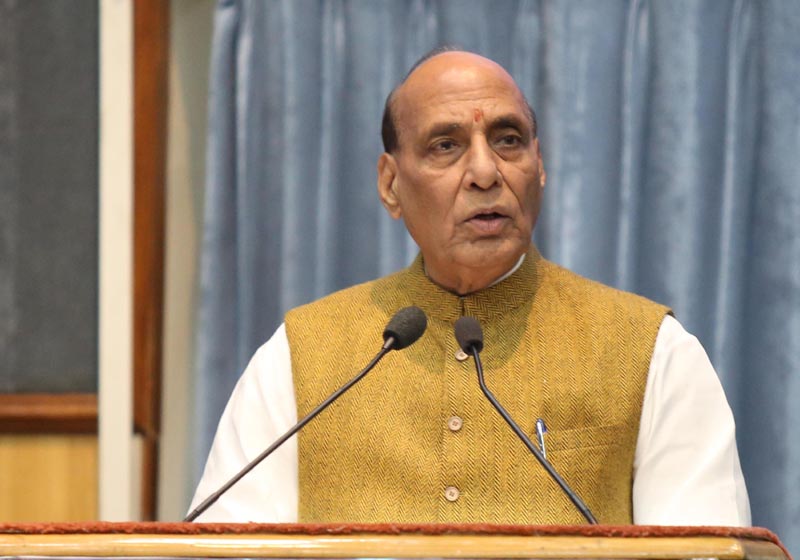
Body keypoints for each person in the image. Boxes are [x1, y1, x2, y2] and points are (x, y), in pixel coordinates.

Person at [190, 50, 750, 525]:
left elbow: (706, 551)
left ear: (540, 166)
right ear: (390, 184)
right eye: (446, 146)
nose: (485, 172)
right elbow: (226, 549)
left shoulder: (652, 350)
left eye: (508, 140)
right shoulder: (300, 356)